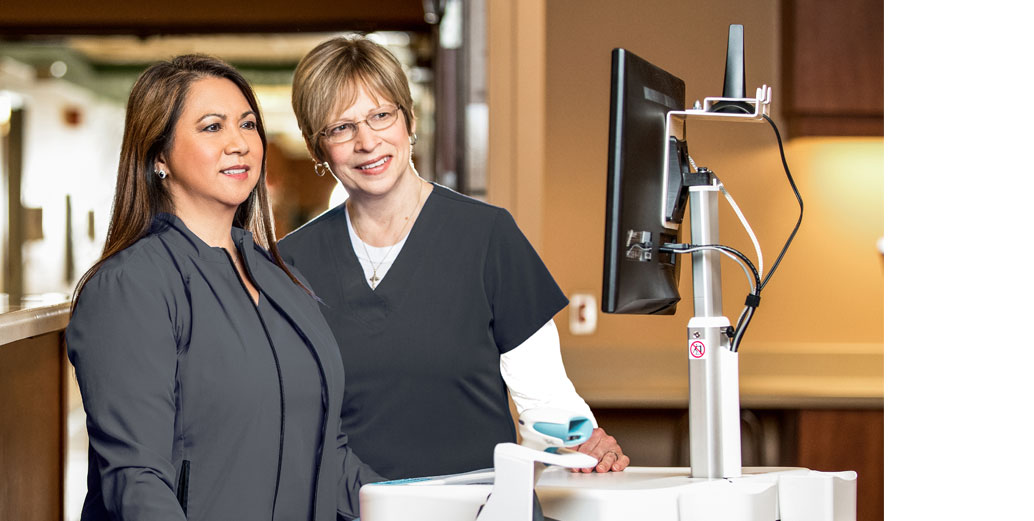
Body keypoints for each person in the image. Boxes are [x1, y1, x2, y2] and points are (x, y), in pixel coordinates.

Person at [279, 35, 629, 481]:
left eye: (381, 115)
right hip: (355, 510)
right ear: (317, 147)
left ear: (409, 120)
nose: (367, 141)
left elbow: (544, 397)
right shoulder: (291, 264)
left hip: (479, 507)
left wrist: (583, 442)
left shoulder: (488, 236)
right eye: (341, 128)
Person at [66, 55, 382, 521]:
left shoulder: (282, 280)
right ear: (158, 156)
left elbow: (328, 458)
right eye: (213, 127)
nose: (240, 143)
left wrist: (433, 506)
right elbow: (136, 481)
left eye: (248, 124)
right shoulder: (131, 286)